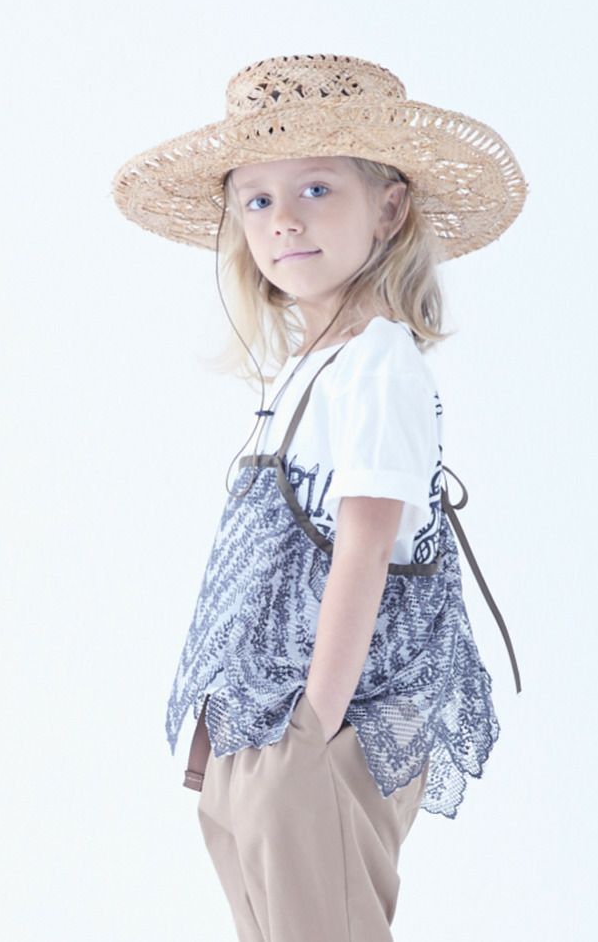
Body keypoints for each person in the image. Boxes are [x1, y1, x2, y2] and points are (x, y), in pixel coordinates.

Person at [111, 53, 528, 942]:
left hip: (322, 730)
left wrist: (310, 728)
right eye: (257, 199)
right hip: (254, 730)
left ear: (390, 208)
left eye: (316, 188)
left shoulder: (377, 364)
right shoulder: (309, 370)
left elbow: (364, 551)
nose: (284, 220)